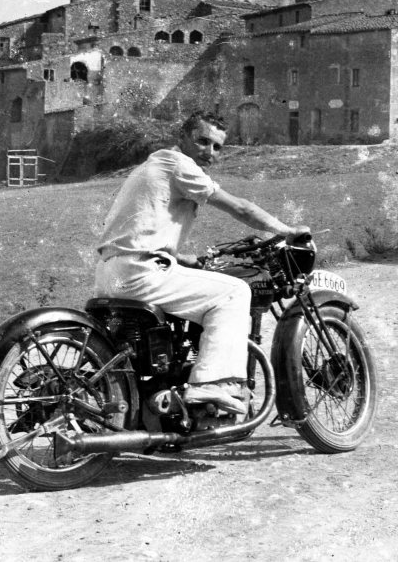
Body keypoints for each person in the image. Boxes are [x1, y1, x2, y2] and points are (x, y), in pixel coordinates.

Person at [93, 110, 308, 415]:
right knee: (234, 292)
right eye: (202, 141)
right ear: (183, 137)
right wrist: (285, 230)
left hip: (111, 272)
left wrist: (180, 258)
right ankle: (213, 384)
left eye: (217, 146)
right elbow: (241, 209)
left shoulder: (151, 166)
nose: (210, 151)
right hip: (141, 273)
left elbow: (136, 227)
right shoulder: (180, 164)